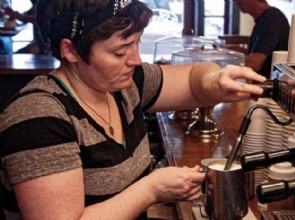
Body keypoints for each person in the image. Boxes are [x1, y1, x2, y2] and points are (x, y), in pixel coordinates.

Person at [0, 0, 266, 219]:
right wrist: (151, 189)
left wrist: (214, 81)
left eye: (137, 42)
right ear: (70, 50)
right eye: (120, 51)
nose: (136, 60)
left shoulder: (124, 86)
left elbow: (193, 81)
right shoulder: (38, 116)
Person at [234, 0, 290, 78]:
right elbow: (257, 52)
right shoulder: (266, 18)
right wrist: (229, 51)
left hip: (267, 84)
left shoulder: (271, 19)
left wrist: (224, 61)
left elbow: (255, 63)